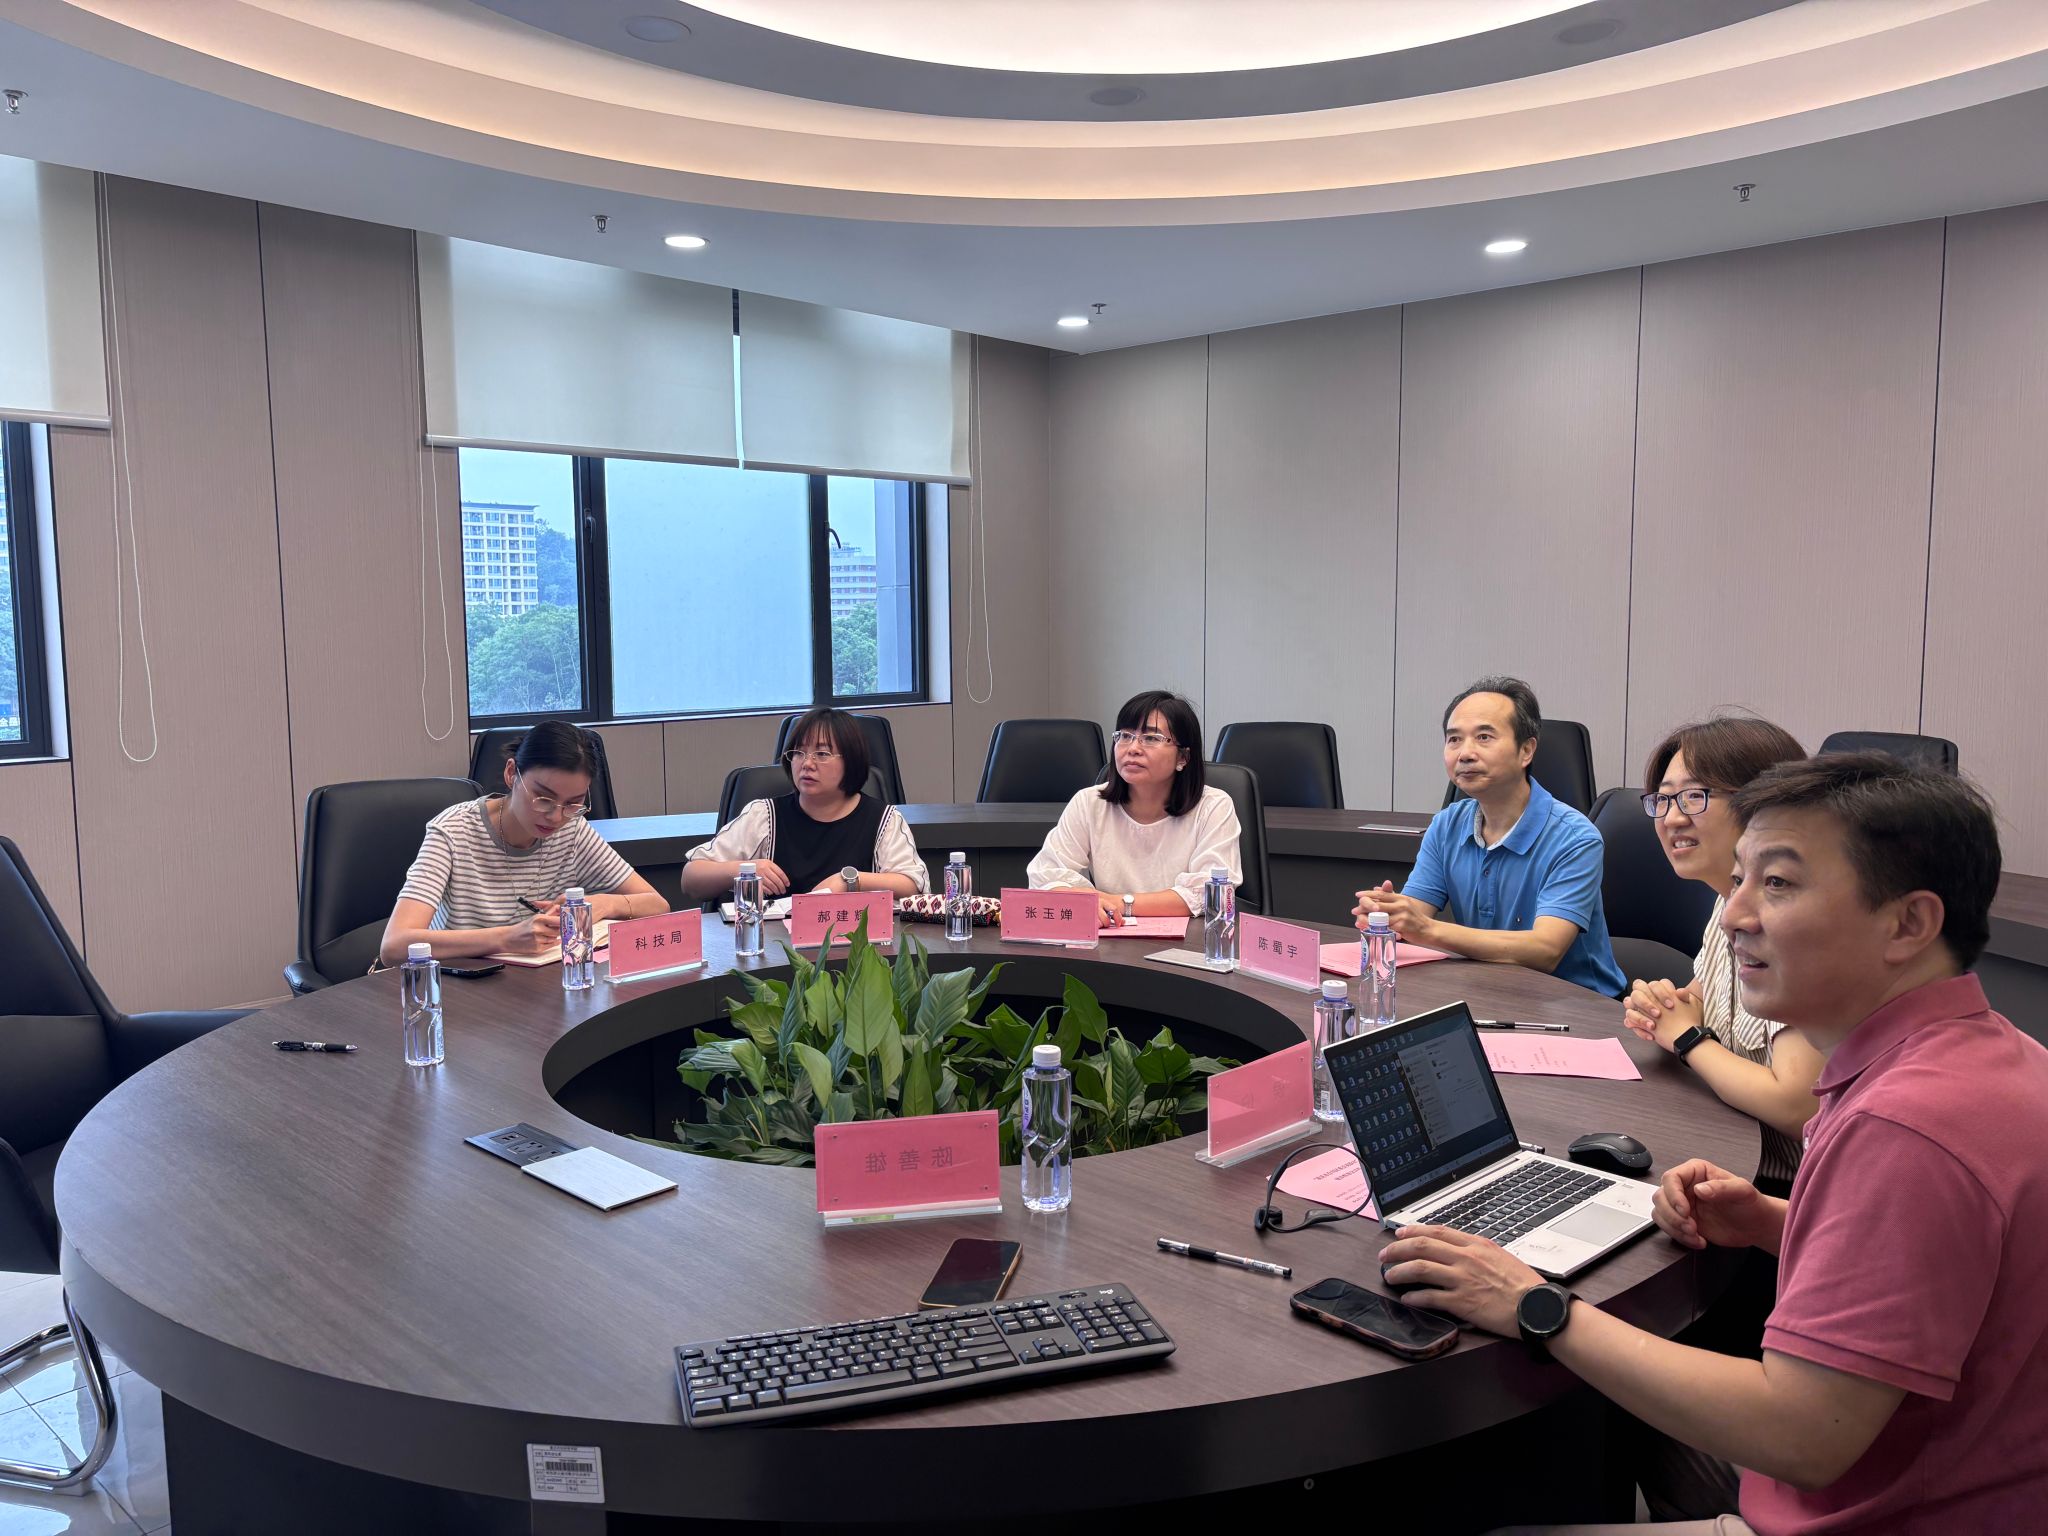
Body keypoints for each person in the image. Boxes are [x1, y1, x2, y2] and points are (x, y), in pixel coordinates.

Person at [1383, 755, 2048, 1534]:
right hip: (1971, 1477)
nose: (1733, 915)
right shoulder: (1992, 1054)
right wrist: (1774, 1221)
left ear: (1908, 923)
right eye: (1738, 881)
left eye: (1779, 883)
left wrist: (1534, 1304)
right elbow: (1939, 1264)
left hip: (1884, 1511)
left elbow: (1803, 1436)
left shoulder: (1904, 1128)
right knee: (1603, 1413)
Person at [1624, 716, 1821, 1196]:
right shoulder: (1727, 902)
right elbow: (1698, 999)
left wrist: (1689, 1039)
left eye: (1694, 796)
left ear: (1766, 802)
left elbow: (1799, 1108)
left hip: (1795, 1195)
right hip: (1734, 1158)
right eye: (1663, 799)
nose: (1672, 818)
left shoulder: (1795, 924)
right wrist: (1661, 1006)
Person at [1354, 676, 1625, 997]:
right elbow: (1416, 914)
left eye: (1484, 737)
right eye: (1454, 739)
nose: (1465, 753)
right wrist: (1388, 914)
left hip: (1578, 1003)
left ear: (1526, 750)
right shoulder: (1447, 825)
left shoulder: (1575, 838)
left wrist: (1425, 928)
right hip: (1489, 991)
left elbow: (1546, 950)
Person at [381, 721, 666, 963]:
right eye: (543, 798)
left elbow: (657, 904)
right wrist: (508, 938)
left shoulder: (573, 830)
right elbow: (394, 945)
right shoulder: (453, 830)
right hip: (460, 989)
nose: (555, 817)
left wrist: (604, 904)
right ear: (511, 773)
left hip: (534, 989)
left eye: (573, 804)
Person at [1026, 689, 1241, 928]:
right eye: (1125, 736)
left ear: (1183, 757)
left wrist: (1115, 903)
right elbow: (1045, 877)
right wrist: (1083, 899)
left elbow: (1209, 893)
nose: (1133, 748)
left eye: (1151, 738)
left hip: (1189, 942)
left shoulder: (1213, 807)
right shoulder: (1089, 803)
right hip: (1108, 937)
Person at [681, 708, 928, 902]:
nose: (807, 764)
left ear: (851, 761)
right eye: (798, 753)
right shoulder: (765, 816)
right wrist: (744, 869)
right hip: (778, 947)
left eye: (822, 754)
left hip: (858, 947)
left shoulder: (883, 819)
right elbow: (690, 878)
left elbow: (914, 885)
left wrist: (849, 881)